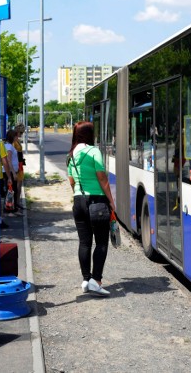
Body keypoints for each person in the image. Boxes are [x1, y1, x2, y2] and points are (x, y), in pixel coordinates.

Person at [67, 121, 116, 297]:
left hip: (78, 200)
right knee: (101, 242)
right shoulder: (94, 151)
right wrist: (111, 201)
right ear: (89, 134)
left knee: (84, 242)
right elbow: (102, 178)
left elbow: (72, 181)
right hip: (97, 201)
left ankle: (86, 280)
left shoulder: (71, 154)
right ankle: (97, 280)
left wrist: (79, 195)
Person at [4, 129, 21, 217]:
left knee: (12, 190)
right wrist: (13, 173)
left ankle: (13, 209)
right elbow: (9, 161)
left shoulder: (9, 146)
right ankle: (9, 210)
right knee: (10, 191)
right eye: (15, 136)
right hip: (10, 172)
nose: (17, 138)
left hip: (12, 171)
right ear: (12, 137)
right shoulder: (9, 147)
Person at [14, 123, 26, 209]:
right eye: (20, 133)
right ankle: (15, 203)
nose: (21, 134)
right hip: (17, 164)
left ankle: (17, 202)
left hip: (20, 163)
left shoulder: (17, 140)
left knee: (19, 183)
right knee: (17, 185)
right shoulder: (14, 141)